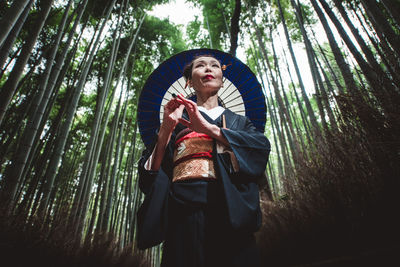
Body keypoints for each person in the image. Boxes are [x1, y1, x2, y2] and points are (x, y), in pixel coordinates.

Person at [136, 54, 271, 267]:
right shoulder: (176, 119)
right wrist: (164, 132)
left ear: (222, 79)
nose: (208, 68)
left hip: (228, 206)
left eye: (215, 66)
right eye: (200, 65)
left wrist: (208, 129)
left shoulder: (239, 121)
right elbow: (151, 175)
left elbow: (260, 149)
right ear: (189, 80)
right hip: (182, 211)